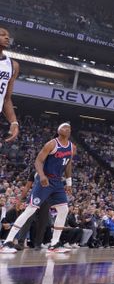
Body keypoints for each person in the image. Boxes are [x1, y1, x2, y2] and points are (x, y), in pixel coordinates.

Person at [0, 122, 75, 253]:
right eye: (64, 127)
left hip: (57, 182)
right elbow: (38, 161)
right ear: (58, 130)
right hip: (45, 180)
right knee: (30, 210)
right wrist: (41, 176)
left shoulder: (71, 147)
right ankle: (7, 242)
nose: (66, 129)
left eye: (68, 128)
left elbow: (68, 165)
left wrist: (69, 182)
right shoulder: (52, 144)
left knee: (64, 209)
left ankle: (54, 244)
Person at [0, 28, 20, 143]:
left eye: (8, 35)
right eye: (2, 35)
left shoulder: (13, 65)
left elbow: (6, 99)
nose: (7, 37)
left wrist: (14, 122)